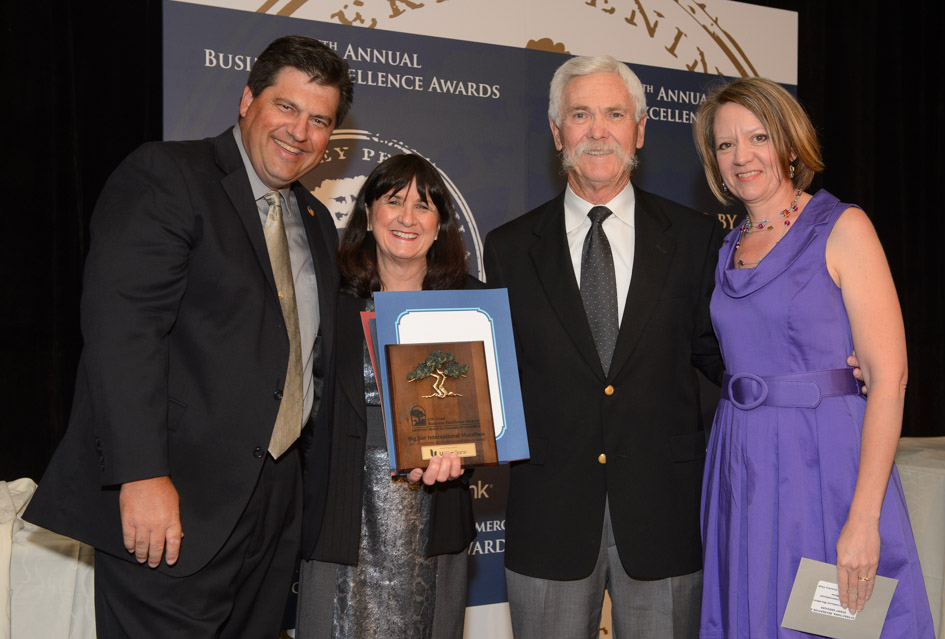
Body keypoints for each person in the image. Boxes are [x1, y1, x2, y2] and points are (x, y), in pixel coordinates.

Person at [24, 35, 352, 638]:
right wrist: (141, 475)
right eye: (286, 107)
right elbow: (125, 334)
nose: (299, 132)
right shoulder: (169, 175)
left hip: (274, 504)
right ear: (247, 100)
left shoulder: (315, 221)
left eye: (319, 120)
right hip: (173, 497)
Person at [483, 55, 723, 638]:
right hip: (550, 518)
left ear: (640, 129)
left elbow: (724, 359)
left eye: (615, 114)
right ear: (556, 131)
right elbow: (492, 377)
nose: (597, 130)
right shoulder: (509, 248)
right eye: (580, 114)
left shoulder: (696, 239)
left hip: (665, 516)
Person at [692, 76, 934, 638]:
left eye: (757, 137)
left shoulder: (843, 227)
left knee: (832, 621)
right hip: (741, 468)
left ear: (790, 143)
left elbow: (889, 378)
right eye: (725, 144)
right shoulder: (728, 246)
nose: (741, 156)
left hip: (823, 467)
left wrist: (864, 518)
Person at [298, 153, 479, 639]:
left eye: (423, 206)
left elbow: (487, 417)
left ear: (440, 225)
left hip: (436, 512)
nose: (407, 218)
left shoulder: (470, 303)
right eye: (394, 201)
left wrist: (463, 453)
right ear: (368, 213)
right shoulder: (328, 299)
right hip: (340, 513)